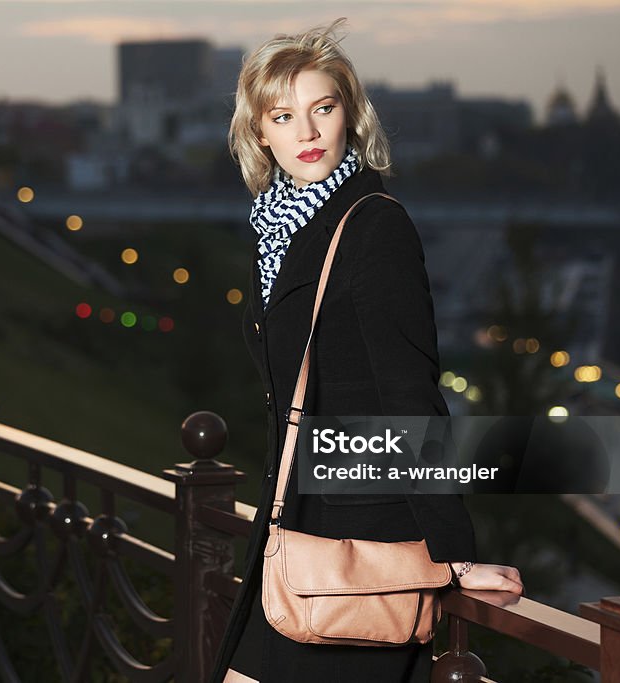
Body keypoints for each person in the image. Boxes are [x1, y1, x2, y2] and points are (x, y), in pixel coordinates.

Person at [211, 18, 525, 683]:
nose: (308, 132)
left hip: (362, 546)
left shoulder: (373, 226)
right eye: (285, 115)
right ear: (258, 131)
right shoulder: (280, 229)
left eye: (323, 108)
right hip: (294, 525)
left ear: (349, 115)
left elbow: (409, 396)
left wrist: (453, 552)